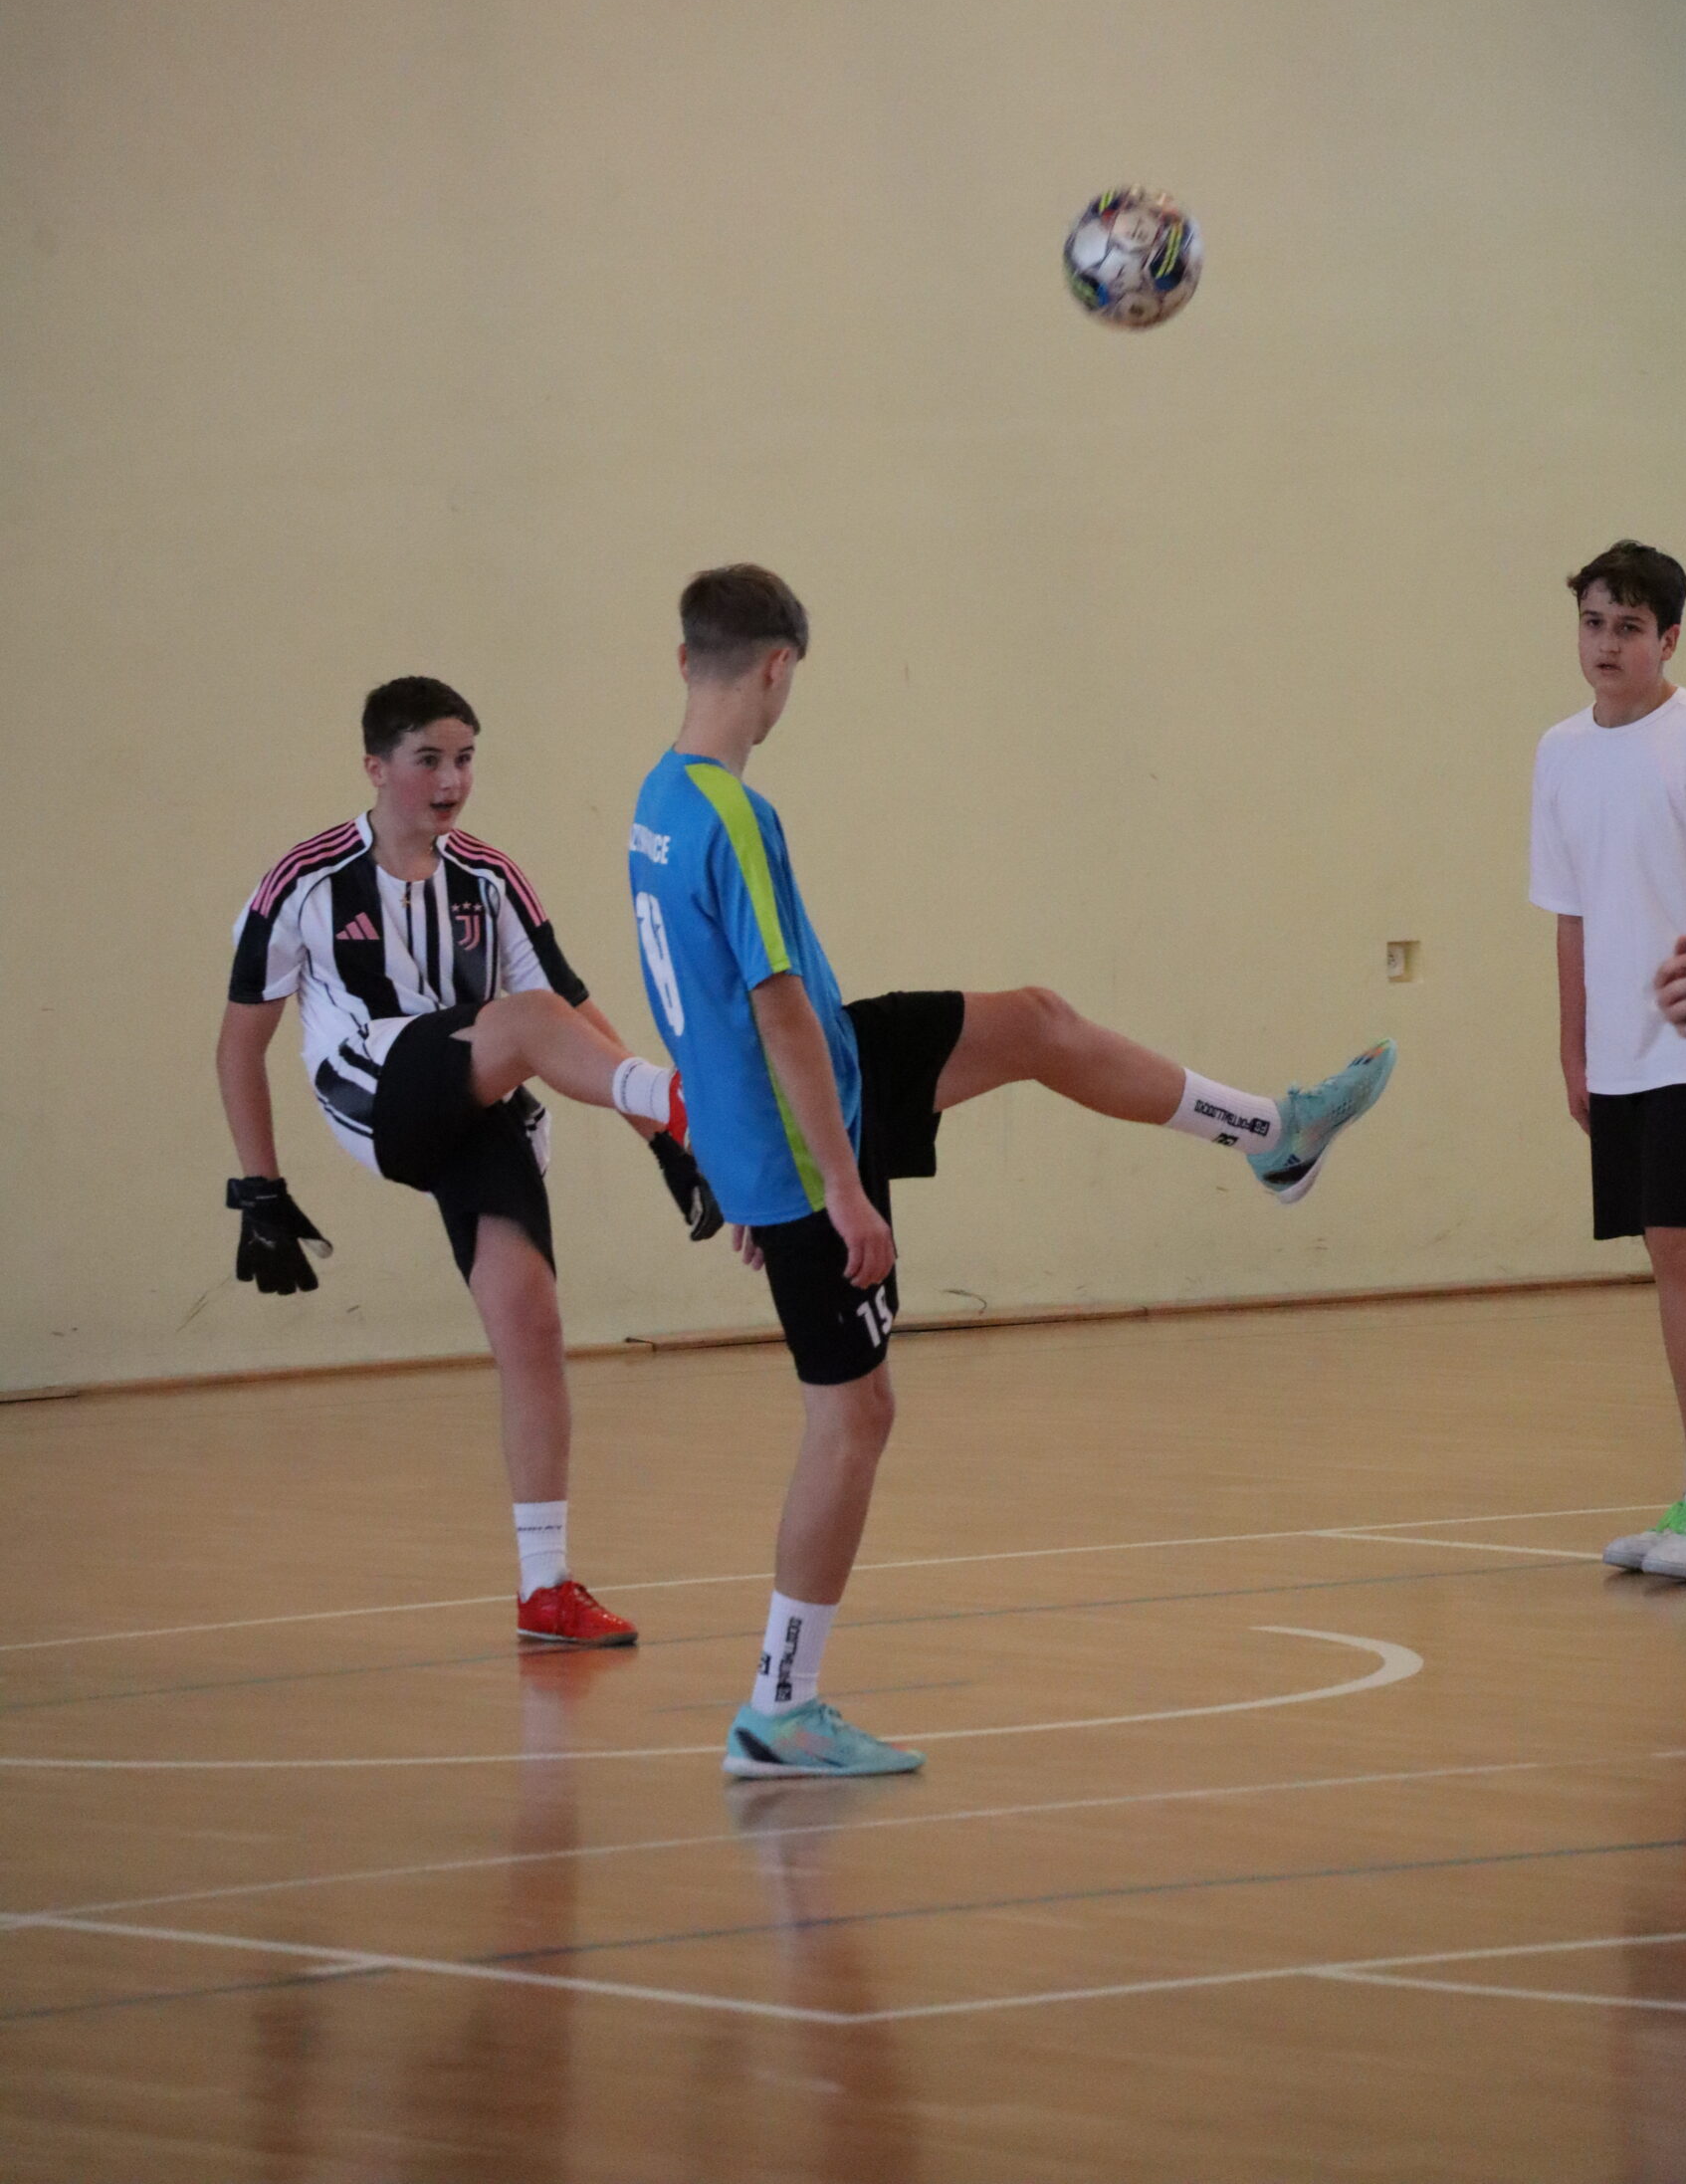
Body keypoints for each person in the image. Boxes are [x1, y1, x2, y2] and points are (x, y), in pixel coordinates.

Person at [628, 564, 1397, 1777]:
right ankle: (779, 1704)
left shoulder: (659, 802)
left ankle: (1272, 1135)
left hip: (808, 1095)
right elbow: (771, 1011)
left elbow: (695, 1007)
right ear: (777, 668)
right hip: (806, 1140)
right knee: (853, 1414)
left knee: (1035, 1021)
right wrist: (834, 1186)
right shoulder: (735, 817)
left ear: (686, 658)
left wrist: (727, 1156)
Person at [218, 674, 715, 1645]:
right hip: (375, 1090)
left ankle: (544, 1588)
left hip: (477, 1097)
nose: (452, 781)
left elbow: (573, 1016)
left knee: (531, 1322)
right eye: (429, 760)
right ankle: (696, 1106)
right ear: (375, 767)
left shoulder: (489, 878)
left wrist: (657, 1148)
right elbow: (240, 1045)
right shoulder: (304, 882)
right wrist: (259, 1187)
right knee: (524, 1021)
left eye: (466, 759)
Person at [1530, 543, 1686, 1581]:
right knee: (1669, 1258)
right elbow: (1572, 911)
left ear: (1667, 640)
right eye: (1593, 622)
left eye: (1628, 627)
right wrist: (1574, 1051)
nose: (1606, 643)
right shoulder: (1558, 752)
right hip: (1623, 1056)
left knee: (1682, 1247)